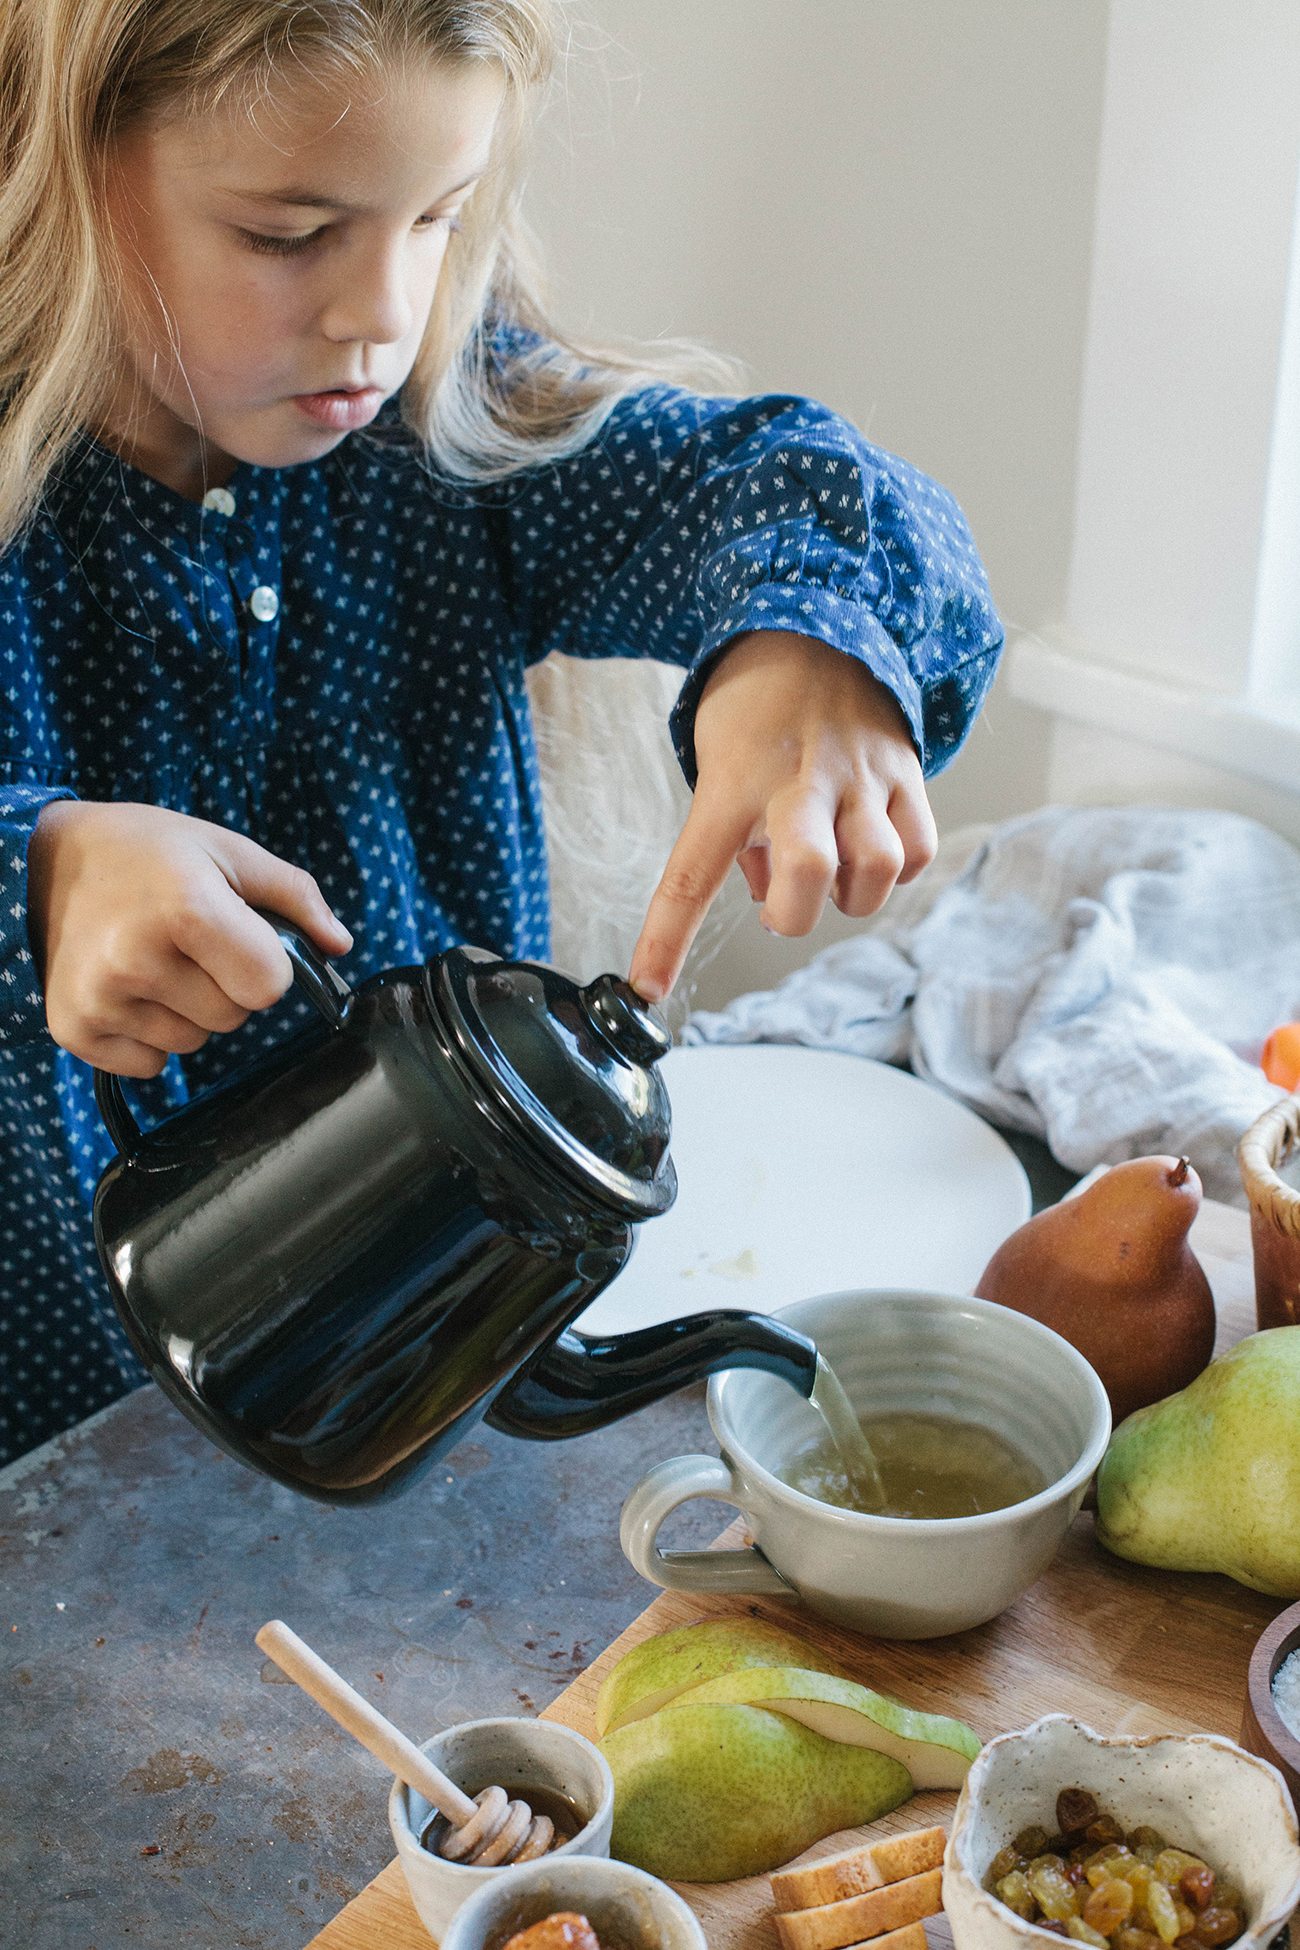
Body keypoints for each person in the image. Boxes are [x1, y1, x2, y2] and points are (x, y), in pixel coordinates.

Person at [0, 0, 1004, 1465]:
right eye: (290, 236)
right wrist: (39, 865)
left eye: (438, 218)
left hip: (410, 1394)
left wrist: (809, 644)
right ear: (60, 165)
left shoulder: (445, 427)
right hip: (50, 1445)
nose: (381, 313)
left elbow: (771, 480)